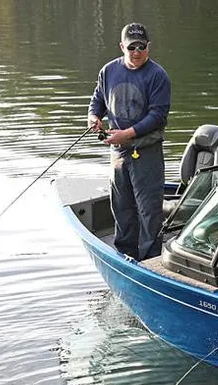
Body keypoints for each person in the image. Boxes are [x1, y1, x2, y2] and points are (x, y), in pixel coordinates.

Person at [88, 22, 171, 260]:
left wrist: (128, 134)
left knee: (149, 210)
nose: (136, 52)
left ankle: (150, 260)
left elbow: (158, 116)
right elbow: (97, 101)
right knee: (121, 206)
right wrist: (93, 117)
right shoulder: (108, 71)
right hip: (118, 152)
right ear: (122, 46)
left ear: (149, 47)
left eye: (141, 47)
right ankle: (125, 254)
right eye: (132, 47)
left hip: (147, 152)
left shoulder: (158, 76)